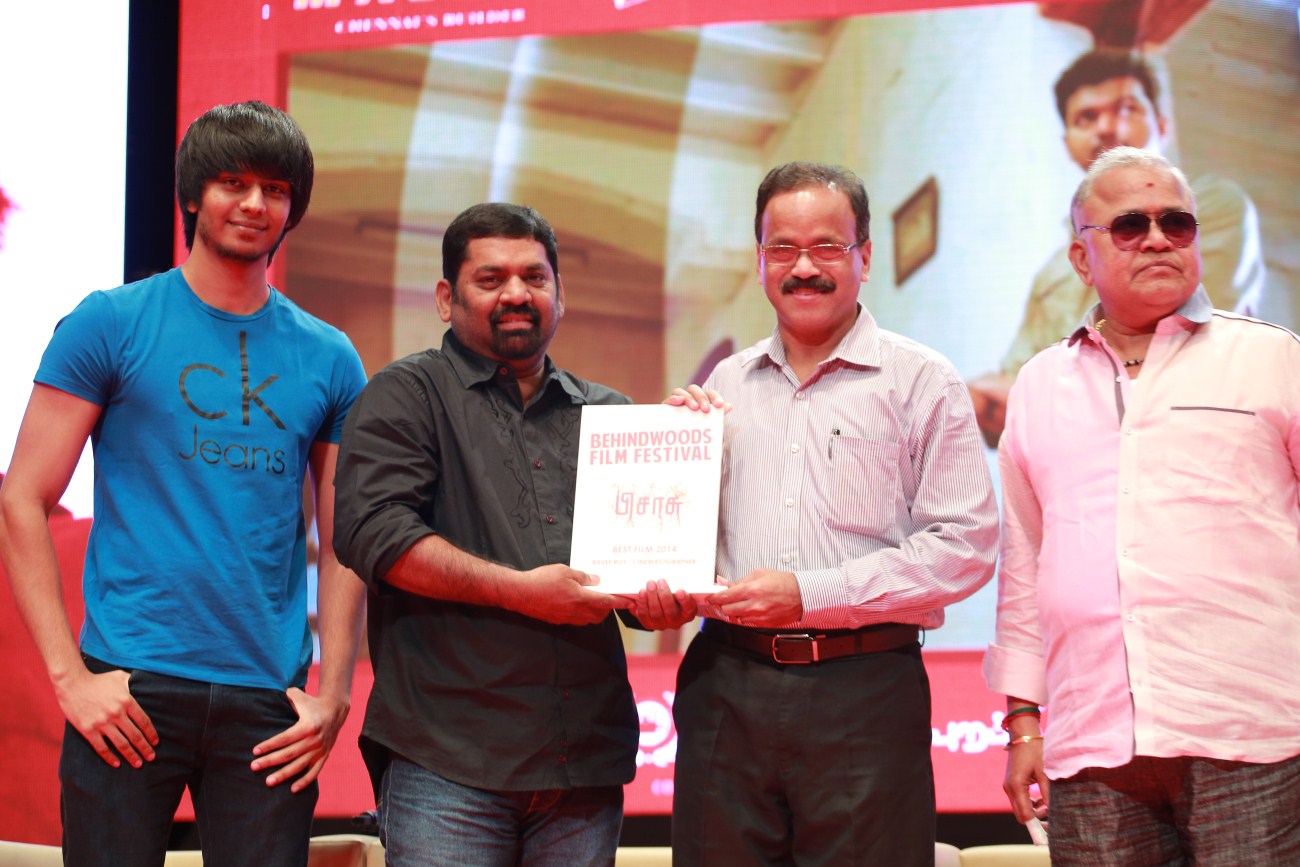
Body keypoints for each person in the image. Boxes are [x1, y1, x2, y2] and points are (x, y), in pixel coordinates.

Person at [0, 100, 368, 866]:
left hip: (268, 699)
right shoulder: (110, 322)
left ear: (293, 207)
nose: (254, 203)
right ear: (194, 195)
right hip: (127, 685)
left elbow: (346, 540)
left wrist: (333, 693)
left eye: (274, 189)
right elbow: (23, 498)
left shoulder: (330, 356)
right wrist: (70, 677)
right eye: (234, 182)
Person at [332, 202, 695, 867]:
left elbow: (636, 579)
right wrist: (522, 592)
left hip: (583, 766)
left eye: (534, 276)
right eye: (491, 278)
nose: (517, 293)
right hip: (446, 762)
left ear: (560, 294)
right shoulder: (406, 394)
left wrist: (663, 600)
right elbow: (373, 533)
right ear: (446, 298)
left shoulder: (610, 415)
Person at [667, 162, 999, 866]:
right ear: (760, 259)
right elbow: (692, 542)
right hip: (724, 684)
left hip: (864, 690)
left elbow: (965, 546)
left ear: (864, 257)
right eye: (782, 248)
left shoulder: (923, 380)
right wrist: (667, 466)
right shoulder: (723, 384)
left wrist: (808, 593)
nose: (803, 268)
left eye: (826, 246)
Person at [984, 146, 1300, 864]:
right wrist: (1024, 725)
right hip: (1093, 745)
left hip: (1251, 735)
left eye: (1175, 223)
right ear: (1081, 257)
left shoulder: (1273, 358)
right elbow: (1026, 568)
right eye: (1130, 225)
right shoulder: (1039, 384)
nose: (1158, 238)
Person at [967, 49, 1266, 444]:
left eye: (1126, 109)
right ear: (1068, 143)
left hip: (1203, 440)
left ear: (1163, 124)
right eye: (1086, 117)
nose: (1106, 127)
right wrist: (980, 403)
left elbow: (1180, 349)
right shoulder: (1053, 275)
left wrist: (1034, 398)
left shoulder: (1212, 208)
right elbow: (1020, 380)